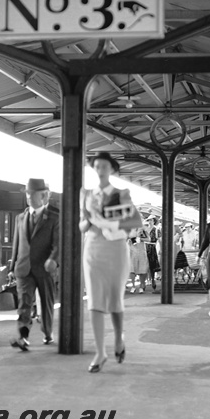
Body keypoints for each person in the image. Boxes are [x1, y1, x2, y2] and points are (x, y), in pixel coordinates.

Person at [79, 152, 143, 373]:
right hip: (93, 248)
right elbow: (82, 225)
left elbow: (136, 221)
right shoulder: (86, 194)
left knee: (115, 297)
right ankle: (100, 352)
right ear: (94, 168)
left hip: (115, 248)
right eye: (97, 165)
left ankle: (118, 338)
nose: (101, 169)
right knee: (94, 299)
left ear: (112, 169)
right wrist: (88, 221)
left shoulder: (121, 193)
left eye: (105, 165)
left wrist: (108, 223)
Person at [8, 178, 59, 351]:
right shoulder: (20, 217)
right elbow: (16, 244)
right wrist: (11, 267)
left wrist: (53, 259)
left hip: (45, 268)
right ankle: (23, 336)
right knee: (24, 303)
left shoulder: (54, 218)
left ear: (44, 196)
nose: (29, 197)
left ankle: (47, 333)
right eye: (27, 193)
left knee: (46, 303)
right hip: (24, 268)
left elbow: (58, 243)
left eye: (32, 194)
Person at [127, 227, 149, 292]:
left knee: (142, 269)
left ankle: (141, 286)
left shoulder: (143, 229)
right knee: (132, 269)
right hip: (132, 251)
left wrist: (140, 239)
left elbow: (149, 239)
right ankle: (133, 286)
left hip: (142, 251)